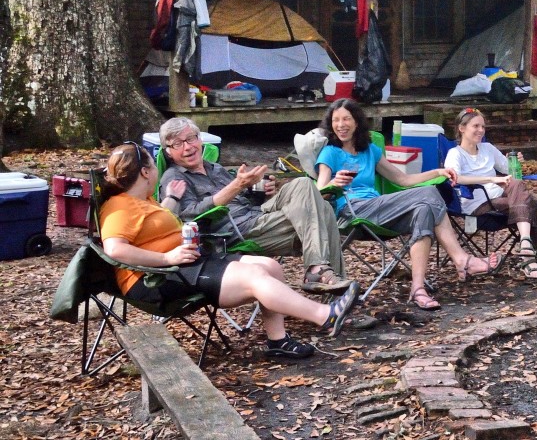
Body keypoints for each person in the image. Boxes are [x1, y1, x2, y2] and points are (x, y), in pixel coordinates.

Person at [99, 143, 358, 359]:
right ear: (145, 172)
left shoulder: (144, 200)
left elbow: (162, 221)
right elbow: (115, 249)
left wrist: (173, 202)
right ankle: (325, 315)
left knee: (270, 266)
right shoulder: (119, 207)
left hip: (186, 263)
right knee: (255, 277)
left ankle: (278, 341)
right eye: (154, 166)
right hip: (156, 279)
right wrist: (166, 257)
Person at [314, 99, 501, 310]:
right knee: (430, 194)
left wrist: (437, 172)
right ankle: (462, 260)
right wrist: (333, 183)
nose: (341, 125)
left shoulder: (371, 151)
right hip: (351, 210)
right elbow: (318, 191)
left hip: (378, 208)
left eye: (346, 119)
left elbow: (402, 180)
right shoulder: (330, 152)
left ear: (357, 122)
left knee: (423, 210)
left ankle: (418, 289)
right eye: (336, 120)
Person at [158, 118, 350, 295]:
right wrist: (237, 185)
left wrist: (261, 191)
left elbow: (244, 199)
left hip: (258, 215)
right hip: (235, 233)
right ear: (169, 151)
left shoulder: (215, 168)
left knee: (303, 184)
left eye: (190, 139)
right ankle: (335, 291)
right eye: (177, 144)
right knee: (322, 211)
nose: (187, 147)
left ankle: (321, 274)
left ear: (200, 140)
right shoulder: (174, 177)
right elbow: (190, 216)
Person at [443, 108, 537, 280]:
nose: (481, 130)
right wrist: (491, 179)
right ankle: (529, 256)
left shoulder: (488, 148)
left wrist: (516, 162)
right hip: (478, 204)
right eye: (475, 126)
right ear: (462, 128)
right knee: (530, 202)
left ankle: (526, 246)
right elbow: (456, 178)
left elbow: (508, 170)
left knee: (516, 183)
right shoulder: (455, 153)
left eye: (483, 127)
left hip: (500, 198)